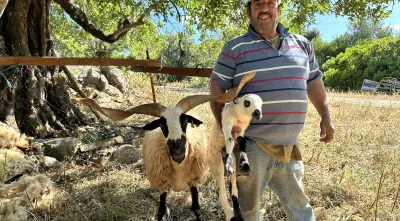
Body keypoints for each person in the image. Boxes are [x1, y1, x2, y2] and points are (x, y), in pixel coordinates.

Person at [209, 0, 335, 220]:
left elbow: (314, 82)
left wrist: (326, 116)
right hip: (252, 145)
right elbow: (216, 86)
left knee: (299, 206)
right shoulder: (235, 48)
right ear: (249, 10)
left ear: (279, 7)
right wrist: (226, 128)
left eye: (270, 2)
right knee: (248, 210)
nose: (264, 8)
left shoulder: (302, 45)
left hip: (290, 144)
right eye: (258, 3)